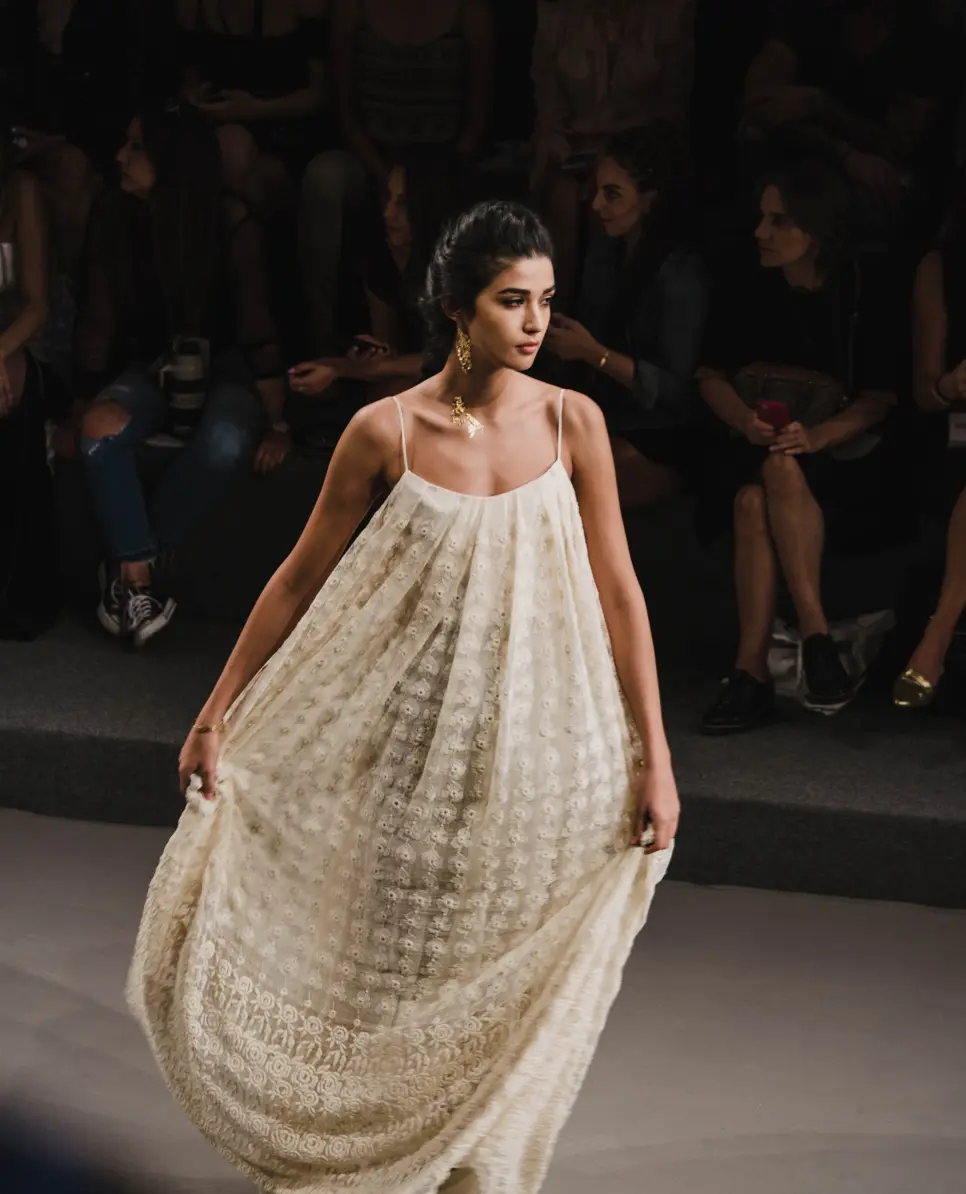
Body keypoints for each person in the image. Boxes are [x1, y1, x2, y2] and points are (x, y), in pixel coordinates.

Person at [126, 200, 679, 1194]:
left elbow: (620, 592)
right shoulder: (384, 429)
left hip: (547, 750)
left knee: (490, 961)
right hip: (407, 745)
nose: (535, 322)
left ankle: (465, 1160)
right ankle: (364, 1157)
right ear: (457, 307)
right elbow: (298, 578)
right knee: (395, 960)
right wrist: (215, 713)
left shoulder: (574, 421)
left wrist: (657, 759)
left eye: (546, 300)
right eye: (511, 300)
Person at [70, 106, 290, 647]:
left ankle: (128, 565)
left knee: (223, 444)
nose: (120, 157)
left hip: (228, 368)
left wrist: (279, 423)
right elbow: (98, 319)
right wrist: (78, 405)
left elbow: (257, 328)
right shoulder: (115, 213)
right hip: (150, 365)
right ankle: (138, 582)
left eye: (137, 147)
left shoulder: (230, 221)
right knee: (99, 429)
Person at [696, 159, 898, 734]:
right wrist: (746, 420)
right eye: (762, 218)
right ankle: (816, 636)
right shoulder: (746, 282)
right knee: (764, 480)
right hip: (750, 443)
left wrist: (815, 436)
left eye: (780, 221)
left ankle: (750, 672)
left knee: (757, 498)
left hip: (838, 454)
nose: (761, 232)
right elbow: (709, 376)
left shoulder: (860, 289)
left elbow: (879, 399)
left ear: (818, 227)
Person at [300, 0, 494, 354]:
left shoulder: (469, 11)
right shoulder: (353, 9)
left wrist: (432, 180)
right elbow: (346, 112)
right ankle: (321, 340)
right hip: (373, 156)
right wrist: (386, 177)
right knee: (324, 177)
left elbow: (477, 119)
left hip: (443, 163)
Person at [545, 123, 710, 507]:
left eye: (612, 194)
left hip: (660, 433)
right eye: (597, 191)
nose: (596, 205)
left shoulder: (679, 273)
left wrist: (594, 354)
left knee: (577, 474)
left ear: (650, 200)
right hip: (605, 416)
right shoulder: (607, 250)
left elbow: (676, 393)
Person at [530, 0, 696, 302]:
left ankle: (603, 316)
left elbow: (671, 114)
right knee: (563, 199)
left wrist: (611, 159)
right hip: (574, 152)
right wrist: (569, 153)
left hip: (638, 153)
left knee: (610, 195)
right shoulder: (557, 15)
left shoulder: (669, 15)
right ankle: (553, 312)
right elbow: (549, 116)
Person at [741, 0, 957, 232]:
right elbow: (760, 105)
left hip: (878, 170)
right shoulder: (805, 12)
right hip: (806, 149)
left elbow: (895, 145)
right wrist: (845, 156)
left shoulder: (924, 31)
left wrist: (821, 106)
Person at [289, 149, 465, 417]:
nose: (387, 213)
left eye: (402, 204)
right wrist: (376, 354)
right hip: (417, 373)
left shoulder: (462, 269)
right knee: (388, 394)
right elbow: (389, 345)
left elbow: (459, 359)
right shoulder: (381, 257)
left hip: (469, 380)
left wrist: (341, 368)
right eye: (387, 199)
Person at [894, 164, 966, 707]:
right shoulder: (941, 267)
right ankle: (939, 635)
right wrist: (951, 384)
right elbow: (924, 390)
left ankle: (936, 636)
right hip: (958, 440)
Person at [178, 0, 329, 212]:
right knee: (227, 150)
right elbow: (188, 81)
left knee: (232, 150)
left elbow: (320, 95)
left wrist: (252, 109)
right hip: (218, 124)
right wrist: (196, 98)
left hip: (285, 129)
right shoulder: (193, 7)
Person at [0, 121, 61, 640]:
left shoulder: (19, 191)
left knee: (10, 387)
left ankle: (16, 589)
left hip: (18, 336)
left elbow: (37, 305)